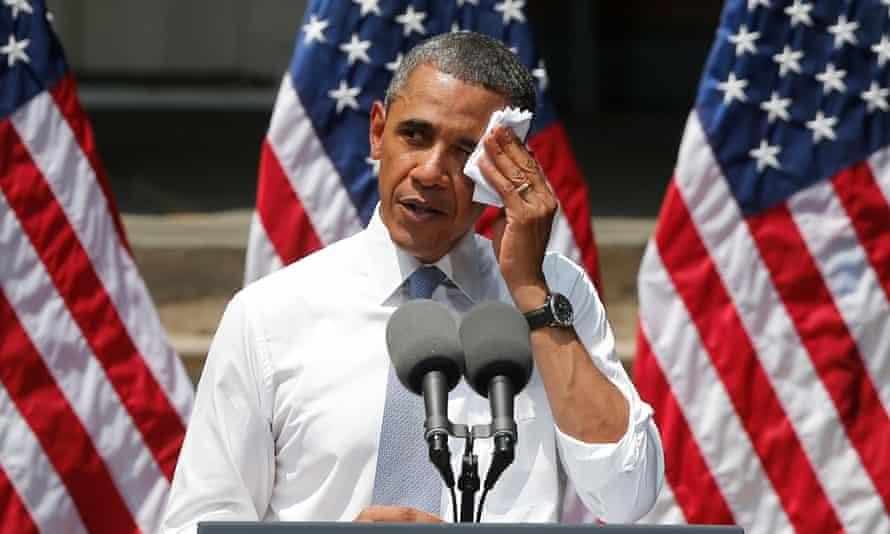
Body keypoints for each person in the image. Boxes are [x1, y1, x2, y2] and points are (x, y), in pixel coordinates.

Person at [162, 31, 663, 532]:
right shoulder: (269, 314)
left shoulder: (555, 295)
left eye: (464, 152)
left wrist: (531, 294)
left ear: (504, 170)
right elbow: (197, 523)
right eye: (415, 136)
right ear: (377, 131)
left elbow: (627, 495)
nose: (429, 171)